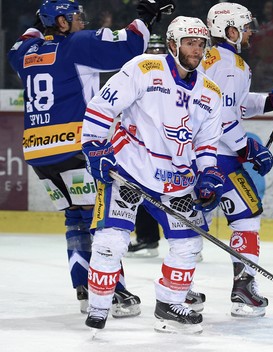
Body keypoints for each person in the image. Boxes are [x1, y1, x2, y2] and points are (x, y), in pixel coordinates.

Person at [7, 0, 173, 317]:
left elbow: (21, 42)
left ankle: (84, 288)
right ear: (62, 21)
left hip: (38, 151)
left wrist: (41, 26)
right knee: (99, 220)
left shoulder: (25, 52)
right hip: (73, 146)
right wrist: (146, 18)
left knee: (75, 218)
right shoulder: (79, 45)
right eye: (75, 17)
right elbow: (130, 45)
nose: (82, 22)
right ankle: (111, 291)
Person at [80, 15, 223, 333]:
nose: (196, 50)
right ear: (173, 44)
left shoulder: (211, 92)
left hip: (174, 183)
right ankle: (100, 306)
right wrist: (93, 147)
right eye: (189, 42)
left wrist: (209, 175)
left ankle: (169, 304)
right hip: (128, 172)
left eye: (201, 44)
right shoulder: (144, 68)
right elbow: (102, 107)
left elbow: (206, 145)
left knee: (188, 246)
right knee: (110, 242)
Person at [189, 2, 273, 318]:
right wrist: (247, 148)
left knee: (191, 223)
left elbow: (235, 105)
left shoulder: (213, 59)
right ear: (230, 30)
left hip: (193, 156)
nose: (251, 32)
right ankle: (243, 287)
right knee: (247, 215)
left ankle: (181, 289)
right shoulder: (229, 64)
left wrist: (272, 100)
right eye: (246, 26)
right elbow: (225, 114)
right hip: (220, 157)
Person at [126, 33, 167, 259]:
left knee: (177, 196)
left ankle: (188, 243)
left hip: (173, 149)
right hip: (143, 147)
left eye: (159, 50)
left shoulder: (181, 76)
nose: (155, 55)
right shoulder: (136, 74)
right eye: (151, 50)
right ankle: (148, 237)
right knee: (141, 192)